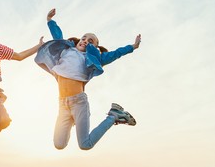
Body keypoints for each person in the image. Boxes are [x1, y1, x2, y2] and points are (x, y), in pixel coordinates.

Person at [34, 8, 141, 150]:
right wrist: (50, 20)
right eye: (84, 38)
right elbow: (57, 36)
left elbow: (116, 54)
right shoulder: (65, 50)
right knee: (59, 145)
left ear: (94, 47)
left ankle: (113, 116)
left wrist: (132, 46)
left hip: (79, 103)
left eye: (90, 41)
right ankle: (72, 121)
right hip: (63, 104)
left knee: (85, 144)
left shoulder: (92, 59)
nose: (85, 41)